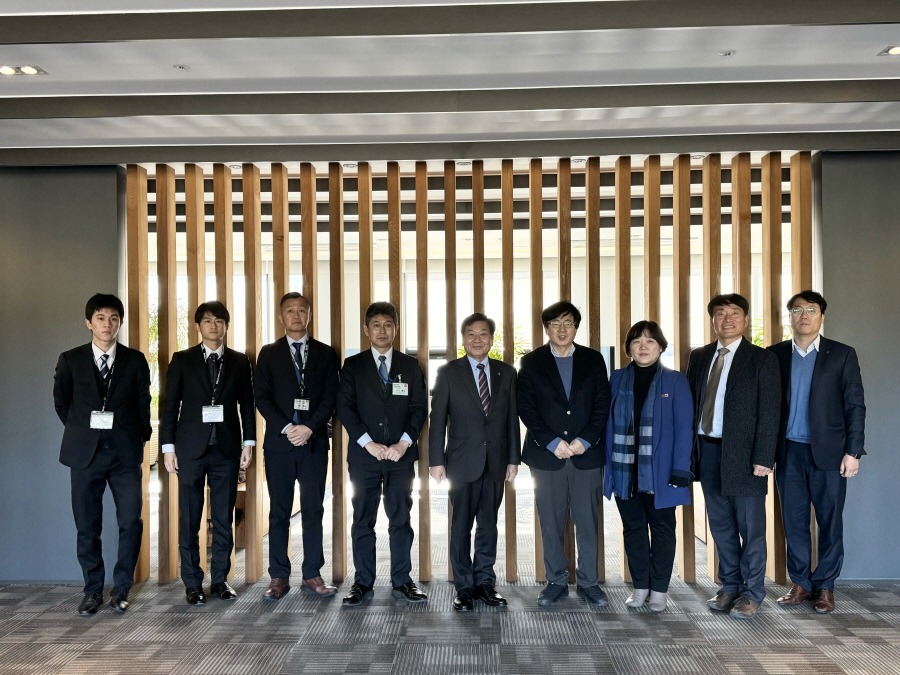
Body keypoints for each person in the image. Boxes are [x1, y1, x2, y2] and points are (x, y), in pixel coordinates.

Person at [53, 293, 151, 616]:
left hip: (124, 455)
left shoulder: (135, 361)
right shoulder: (70, 360)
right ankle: (92, 590)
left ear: (119, 323)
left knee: (130, 522)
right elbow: (62, 403)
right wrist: (84, 432)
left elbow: (143, 404)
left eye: (113, 319)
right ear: (88, 323)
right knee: (87, 526)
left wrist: (139, 438)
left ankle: (121, 589)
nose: (107, 324)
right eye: (100, 318)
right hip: (85, 455)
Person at [768, 290, 865, 614]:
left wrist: (853, 452)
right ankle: (801, 583)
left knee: (830, 522)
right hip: (788, 453)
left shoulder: (842, 354)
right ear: (790, 317)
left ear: (821, 316)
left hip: (830, 454)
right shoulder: (775, 355)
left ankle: (825, 586)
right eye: (797, 310)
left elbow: (855, 406)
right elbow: (766, 408)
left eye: (811, 310)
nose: (804, 316)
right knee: (794, 522)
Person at [687, 293, 780, 619]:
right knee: (721, 526)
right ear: (712, 319)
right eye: (721, 313)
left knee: (751, 528)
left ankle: (752, 593)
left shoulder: (762, 359)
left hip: (746, 456)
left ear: (745, 319)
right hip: (708, 451)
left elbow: (770, 411)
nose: (727, 319)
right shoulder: (699, 356)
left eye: (735, 313)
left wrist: (764, 456)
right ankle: (730, 586)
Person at [160, 301, 256, 605]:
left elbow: (247, 404)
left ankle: (220, 580)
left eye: (218, 320)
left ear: (226, 325)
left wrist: (249, 442)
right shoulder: (182, 360)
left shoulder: (239, 361)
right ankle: (192, 583)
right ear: (198, 326)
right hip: (190, 450)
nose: (213, 325)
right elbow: (169, 405)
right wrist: (167, 447)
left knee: (224, 518)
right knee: (190, 518)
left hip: (226, 450)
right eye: (207, 320)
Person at [518, 301, 611, 607]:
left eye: (568, 323)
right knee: (551, 522)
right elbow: (526, 408)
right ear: (546, 328)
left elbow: (602, 405)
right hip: (547, 457)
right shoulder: (531, 362)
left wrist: (586, 439)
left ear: (576, 328)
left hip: (586, 454)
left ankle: (588, 582)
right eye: (555, 323)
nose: (562, 329)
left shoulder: (593, 360)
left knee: (588, 522)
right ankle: (556, 580)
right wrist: (550, 441)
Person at [336, 302, 428, 606]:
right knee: (363, 519)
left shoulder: (410, 366)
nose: (382, 330)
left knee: (400, 518)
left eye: (388, 324)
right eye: (376, 325)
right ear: (366, 330)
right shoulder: (353, 366)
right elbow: (345, 408)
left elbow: (419, 408)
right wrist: (368, 443)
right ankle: (363, 581)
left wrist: (404, 443)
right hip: (365, 457)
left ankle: (402, 580)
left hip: (401, 457)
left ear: (396, 329)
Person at [429, 313, 521, 611]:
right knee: (461, 526)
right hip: (461, 462)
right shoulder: (448, 372)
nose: (477, 339)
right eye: (471, 333)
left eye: (483, 334)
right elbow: (437, 419)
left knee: (488, 525)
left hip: (495, 462)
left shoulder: (506, 373)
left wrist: (513, 459)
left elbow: (511, 419)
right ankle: (464, 587)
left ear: (491, 339)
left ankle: (485, 583)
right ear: (463, 339)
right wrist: (436, 460)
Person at [604, 320, 693, 612]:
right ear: (628, 348)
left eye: (650, 341)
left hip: (662, 473)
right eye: (637, 341)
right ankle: (640, 587)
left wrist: (681, 469)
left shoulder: (675, 381)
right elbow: (607, 423)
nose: (643, 347)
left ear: (661, 347)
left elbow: (684, 429)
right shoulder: (617, 378)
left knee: (663, 529)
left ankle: (659, 591)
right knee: (633, 529)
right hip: (624, 470)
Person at [254, 292, 339, 600]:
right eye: (290, 310)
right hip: (280, 445)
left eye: (302, 310)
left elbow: (331, 396)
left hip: (313, 443)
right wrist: (289, 428)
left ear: (309, 315)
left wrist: (310, 427)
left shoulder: (325, 353)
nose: (296, 315)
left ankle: (312, 573)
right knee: (279, 511)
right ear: (281, 317)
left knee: (314, 509)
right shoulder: (268, 353)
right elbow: (262, 397)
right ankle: (278, 576)